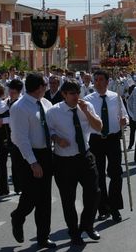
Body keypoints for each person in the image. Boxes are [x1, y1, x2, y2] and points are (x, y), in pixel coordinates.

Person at [47, 81, 102, 245]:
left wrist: (86, 111)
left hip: (84, 156)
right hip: (64, 161)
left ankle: (87, 225)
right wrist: (56, 138)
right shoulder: (53, 111)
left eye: (77, 92)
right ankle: (74, 232)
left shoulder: (86, 106)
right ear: (64, 95)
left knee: (94, 192)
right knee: (68, 199)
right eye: (71, 93)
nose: (75, 96)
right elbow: (48, 131)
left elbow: (99, 127)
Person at [9, 73, 56, 249]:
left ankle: (43, 236)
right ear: (39, 87)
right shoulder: (19, 107)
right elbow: (21, 138)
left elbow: (50, 127)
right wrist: (33, 162)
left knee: (44, 198)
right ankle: (18, 216)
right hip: (26, 155)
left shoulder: (46, 103)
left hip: (45, 153)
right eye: (45, 84)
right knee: (30, 196)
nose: (47, 87)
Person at [85, 70, 128, 222]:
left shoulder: (115, 97)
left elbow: (124, 115)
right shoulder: (88, 100)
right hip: (96, 140)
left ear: (107, 81)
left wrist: (124, 120)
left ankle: (115, 207)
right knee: (99, 176)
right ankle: (103, 207)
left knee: (116, 173)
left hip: (113, 138)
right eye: (95, 80)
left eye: (101, 79)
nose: (97, 82)